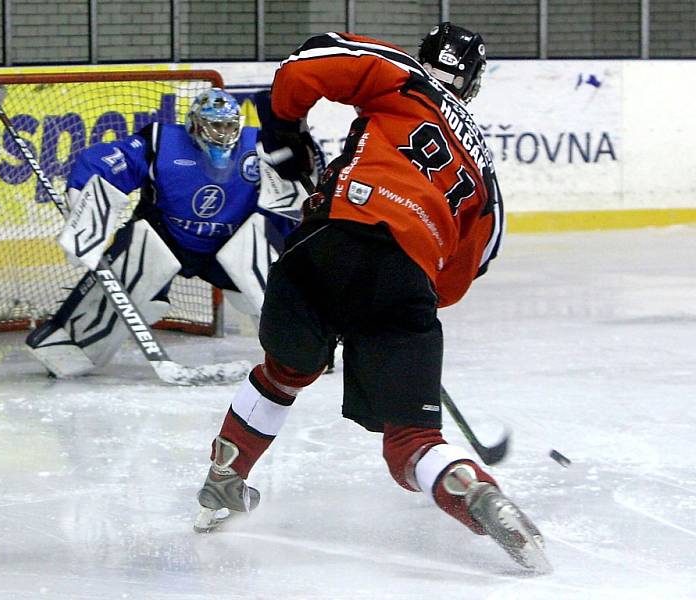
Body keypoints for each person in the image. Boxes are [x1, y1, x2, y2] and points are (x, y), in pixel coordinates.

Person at [193, 25, 551, 573]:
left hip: (328, 242)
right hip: (405, 279)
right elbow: (468, 267)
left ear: (424, 55)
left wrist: (287, 132)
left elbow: (305, 62)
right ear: (474, 83)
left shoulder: (402, 75)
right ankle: (473, 487)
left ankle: (225, 479)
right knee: (410, 440)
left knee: (284, 372)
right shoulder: (484, 169)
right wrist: (409, 282)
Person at [26, 88, 300, 377]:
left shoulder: (259, 147)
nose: (223, 133)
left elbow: (291, 200)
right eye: (215, 125)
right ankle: (70, 345)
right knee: (133, 258)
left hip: (232, 245)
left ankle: (302, 348)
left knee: (276, 267)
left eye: (229, 125)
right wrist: (81, 201)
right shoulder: (160, 142)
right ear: (194, 124)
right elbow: (105, 162)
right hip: (166, 240)